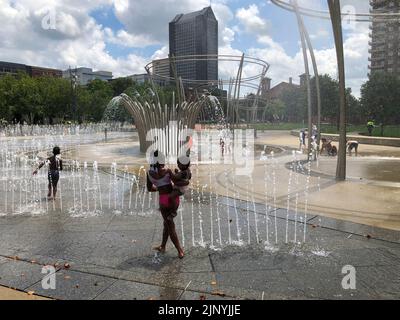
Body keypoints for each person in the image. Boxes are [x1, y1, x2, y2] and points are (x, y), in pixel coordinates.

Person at [147, 151, 185, 259]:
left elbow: (150, 188)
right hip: (173, 200)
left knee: (169, 224)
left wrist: (159, 187)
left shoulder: (149, 173)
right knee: (168, 225)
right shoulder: (167, 171)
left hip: (163, 201)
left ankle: (171, 248)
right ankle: (178, 250)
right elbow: (177, 182)